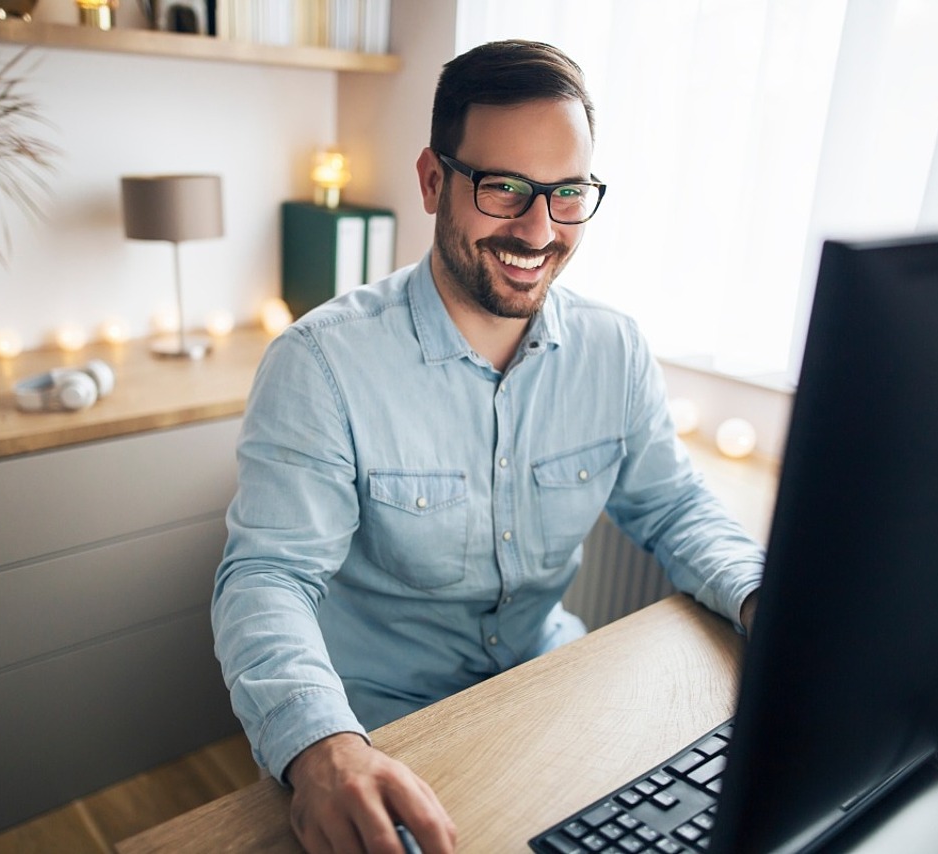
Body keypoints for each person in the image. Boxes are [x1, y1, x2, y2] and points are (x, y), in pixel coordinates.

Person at [212, 39, 764, 854]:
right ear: (435, 181)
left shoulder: (616, 350)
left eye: (567, 193)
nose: (539, 230)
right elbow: (265, 580)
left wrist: (765, 604)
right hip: (384, 734)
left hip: (553, 695)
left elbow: (674, 507)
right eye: (504, 188)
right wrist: (322, 749)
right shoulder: (320, 363)